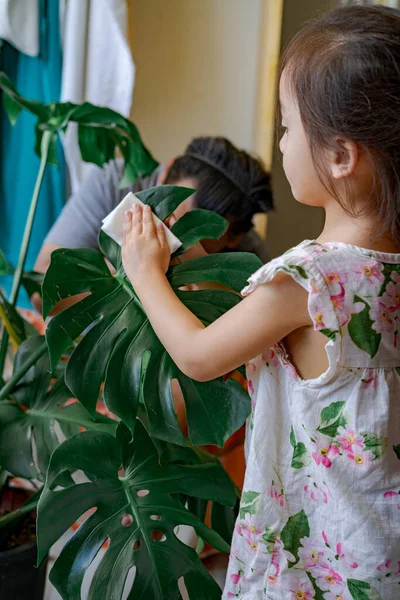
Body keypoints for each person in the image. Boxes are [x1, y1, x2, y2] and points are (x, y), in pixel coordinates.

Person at [120, 5, 400, 598]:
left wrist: (146, 273)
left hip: (310, 563)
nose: (282, 141)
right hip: (379, 551)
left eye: (288, 126)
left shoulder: (306, 282)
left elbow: (198, 356)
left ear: (341, 156)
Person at [34, 136, 272, 277]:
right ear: (165, 173)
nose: (173, 245)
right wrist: (132, 269)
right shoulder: (116, 182)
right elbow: (42, 285)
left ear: (233, 238)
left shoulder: (248, 261)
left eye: (190, 239)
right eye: (169, 224)